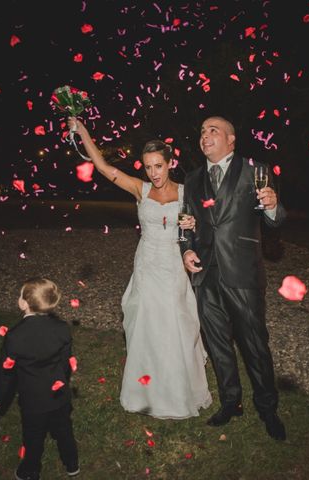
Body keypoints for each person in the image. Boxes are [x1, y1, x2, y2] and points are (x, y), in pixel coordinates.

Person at [67, 117, 212, 419]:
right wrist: (83, 132)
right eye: (148, 166)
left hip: (173, 264)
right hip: (146, 263)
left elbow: (203, 228)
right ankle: (144, 390)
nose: (153, 172)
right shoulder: (141, 190)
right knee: (144, 320)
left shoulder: (188, 193)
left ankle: (177, 389)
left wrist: (193, 224)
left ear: (170, 163)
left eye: (158, 165)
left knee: (175, 322)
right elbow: (105, 169)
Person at [181, 115, 288, 441]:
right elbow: (187, 222)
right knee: (218, 345)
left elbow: (276, 220)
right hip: (206, 276)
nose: (205, 135)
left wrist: (271, 206)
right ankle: (232, 402)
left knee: (255, 345)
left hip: (243, 274)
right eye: (201, 131)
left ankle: (268, 409)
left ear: (231, 139)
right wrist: (185, 249)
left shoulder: (254, 171)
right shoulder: (194, 178)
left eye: (213, 130)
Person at [0, 277, 80, 480]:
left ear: (25, 303)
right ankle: (72, 463)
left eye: (21, 295)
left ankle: (30, 470)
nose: (19, 298)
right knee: (64, 430)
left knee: (33, 436)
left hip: (33, 400)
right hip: (59, 396)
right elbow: (65, 363)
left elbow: (6, 373)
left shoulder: (14, 336)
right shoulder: (62, 329)